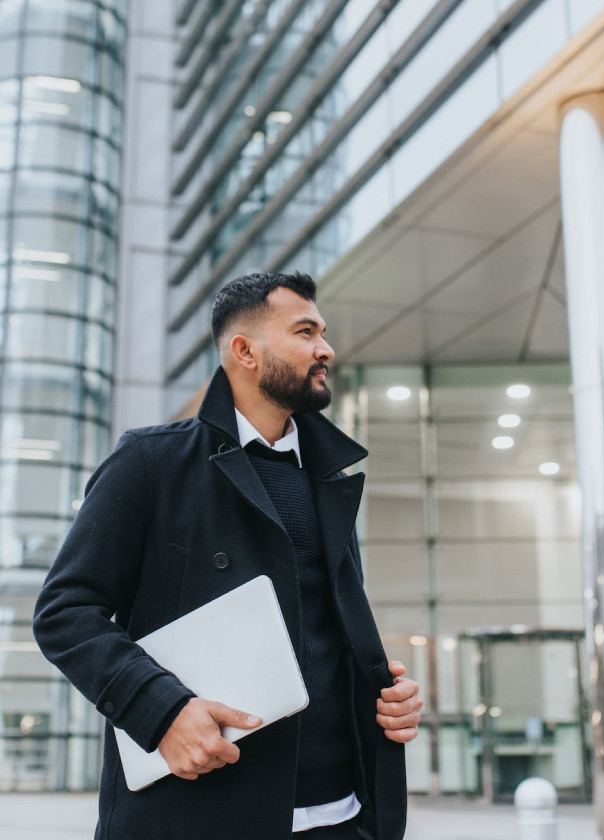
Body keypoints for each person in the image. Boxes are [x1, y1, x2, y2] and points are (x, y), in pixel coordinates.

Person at [33, 271, 422, 840]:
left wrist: (384, 700)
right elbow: (65, 613)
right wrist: (162, 710)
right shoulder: (151, 463)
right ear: (244, 351)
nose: (326, 349)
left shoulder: (329, 477)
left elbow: (324, 637)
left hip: (341, 816)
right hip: (198, 815)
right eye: (306, 332)